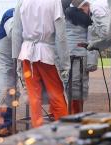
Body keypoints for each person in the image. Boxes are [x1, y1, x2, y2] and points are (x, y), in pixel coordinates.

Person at [12, 0, 70, 128]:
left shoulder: (22, 2)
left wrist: (16, 59)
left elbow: (16, 33)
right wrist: (65, 63)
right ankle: (65, 131)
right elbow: (61, 36)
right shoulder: (54, 2)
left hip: (27, 55)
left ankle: (37, 133)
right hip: (47, 55)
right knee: (56, 95)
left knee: (34, 98)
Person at [63, 0, 98, 114]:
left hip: (67, 56)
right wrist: (92, 63)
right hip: (80, 57)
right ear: (82, 6)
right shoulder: (88, 20)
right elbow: (92, 39)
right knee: (78, 89)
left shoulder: (64, 14)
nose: (89, 8)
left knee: (68, 87)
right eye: (87, 6)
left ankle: (70, 113)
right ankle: (76, 115)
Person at [0, 8, 18, 137]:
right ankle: (4, 126)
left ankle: (10, 124)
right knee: (3, 89)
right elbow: (13, 33)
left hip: (14, 55)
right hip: (3, 56)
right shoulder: (11, 13)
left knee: (11, 91)